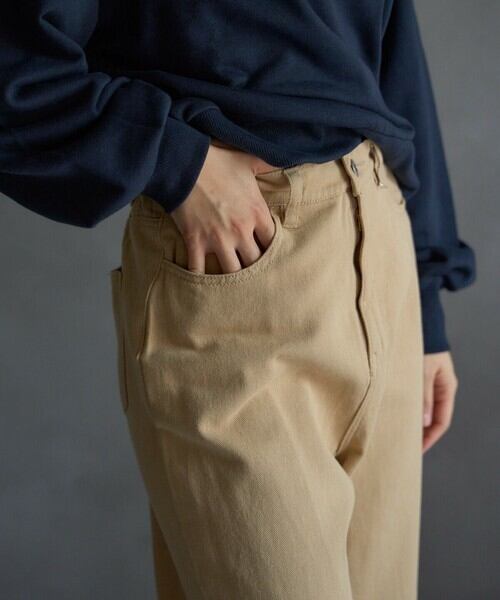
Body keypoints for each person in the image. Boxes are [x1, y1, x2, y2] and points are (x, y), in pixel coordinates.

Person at [0, 1, 476, 599]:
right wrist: (178, 162)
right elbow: (14, 66)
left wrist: (427, 299)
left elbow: (393, 49)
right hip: (238, 267)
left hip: (384, 244)